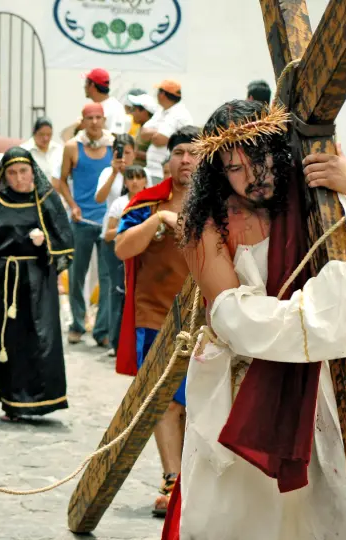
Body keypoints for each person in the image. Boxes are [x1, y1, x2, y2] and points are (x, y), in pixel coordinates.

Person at [162, 100, 346, 539]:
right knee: (246, 515)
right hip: (240, 388)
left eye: (262, 157)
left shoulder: (309, 201)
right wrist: (331, 309)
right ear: (217, 171)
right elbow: (232, 316)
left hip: (316, 380)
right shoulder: (206, 224)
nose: (254, 174)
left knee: (322, 507)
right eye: (235, 167)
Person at [114, 127, 199, 516]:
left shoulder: (221, 203)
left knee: (198, 403)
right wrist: (157, 222)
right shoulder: (147, 203)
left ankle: (193, 481)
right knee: (164, 402)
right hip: (157, 319)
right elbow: (121, 249)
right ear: (168, 159)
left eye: (193, 153)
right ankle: (172, 478)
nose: (186, 159)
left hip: (209, 318)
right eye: (179, 151)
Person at [0, 147, 73, 420]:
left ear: (33, 171)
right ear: (4, 175)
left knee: (41, 339)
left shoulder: (46, 199)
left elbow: (65, 240)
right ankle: (12, 401)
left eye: (23, 171)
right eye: (12, 172)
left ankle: (44, 399)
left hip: (38, 280)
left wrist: (46, 242)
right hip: (4, 282)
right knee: (9, 342)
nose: (19, 177)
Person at [56, 102, 114, 347]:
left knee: (107, 277)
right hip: (81, 220)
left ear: (103, 119)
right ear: (82, 120)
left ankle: (102, 330)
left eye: (98, 117)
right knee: (76, 274)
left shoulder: (114, 146)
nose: (94, 122)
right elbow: (61, 181)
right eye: (89, 118)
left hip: (107, 222)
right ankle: (77, 324)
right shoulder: (72, 147)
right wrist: (72, 206)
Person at [95, 133, 136, 355]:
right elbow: (99, 198)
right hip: (110, 235)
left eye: (128, 153)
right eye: (121, 153)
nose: (124, 158)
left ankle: (126, 336)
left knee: (130, 286)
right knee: (113, 287)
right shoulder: (106, 173)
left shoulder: (139, 174)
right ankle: (112, 338)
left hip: (133, 234)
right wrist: (113, 171)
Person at [138, 80, 193, 184]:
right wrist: (159, 132)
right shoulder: (161, 110)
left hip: (165, 172)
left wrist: (156, 134)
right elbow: (143, 133)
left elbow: (159, 140)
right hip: (152, 170)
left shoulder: (179, 113)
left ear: (162, 94)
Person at [83, 68, 130, 135]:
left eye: (86, 83)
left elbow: (116, 138)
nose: (84, 87)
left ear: (92, 85)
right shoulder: (96, 106)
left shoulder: (114, 108)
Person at [127, 93, 159, 167]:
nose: (132, 113)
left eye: (134, 109)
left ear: (144, 111)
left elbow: (158, 157)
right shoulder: (141, 127)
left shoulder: (152, 131)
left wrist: (136, 153)